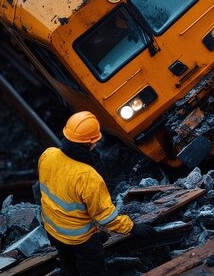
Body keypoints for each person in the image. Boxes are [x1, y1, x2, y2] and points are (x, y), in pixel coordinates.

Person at [38, 111, 156, 276]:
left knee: (68, 267)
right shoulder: (88, 176)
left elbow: (48, 189)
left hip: (53, 231)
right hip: (80, 239)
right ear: (91, 144)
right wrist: (132, 227)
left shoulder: (48, 155)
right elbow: (105, 216)